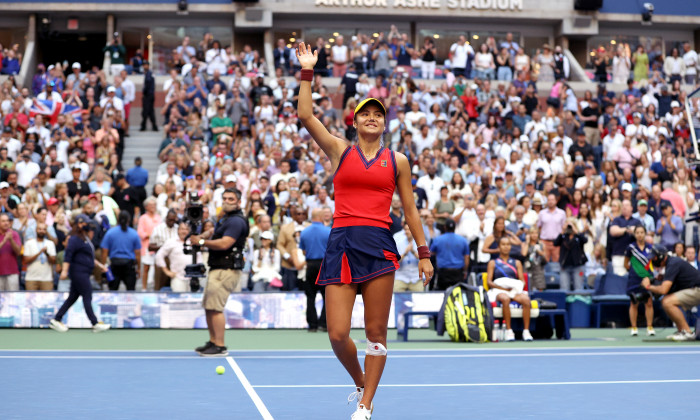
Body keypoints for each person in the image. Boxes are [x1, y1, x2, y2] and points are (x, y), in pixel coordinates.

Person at [296, 42, 433, 419]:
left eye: (378, 114)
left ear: (384, 122)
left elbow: (409, 209)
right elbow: (306, 115)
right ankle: (361, 381)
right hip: (341, 243)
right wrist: (308, 70)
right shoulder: (339, 150)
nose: (372, 117)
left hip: (378, 245)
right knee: (337, 334)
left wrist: (423, 253)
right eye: (365, 113)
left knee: (376, 334)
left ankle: (366, 404)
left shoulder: (398, 160)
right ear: (354, 122)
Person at [190, 188, 250, 357]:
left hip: (226, 269)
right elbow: (216, 234)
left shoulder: (236, 221)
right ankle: (213, 341)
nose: (226, 201)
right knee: (209, 306)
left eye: (231, 199)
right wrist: (206, 234)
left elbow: (225, 243)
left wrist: (202, 241)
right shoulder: (226, 219)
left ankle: (220, 345)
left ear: (238, 202)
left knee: (216, 308)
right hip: (217, 268)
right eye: (224, 198)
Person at [50, 215, 111, 333]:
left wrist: (100, 266)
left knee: (72, 297)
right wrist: (64, 271)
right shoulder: (74, 239)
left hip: (84, 271)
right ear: (79, 224)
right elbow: (68, 256)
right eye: (85, 223)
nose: (88, 226)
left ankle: (57, 319)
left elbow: (88, 256)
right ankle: (94, 323)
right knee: (87, 295)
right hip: (78, 272)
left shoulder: (84, 238)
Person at [643, 245, 700, 341]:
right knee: (667, 300)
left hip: (697, 289)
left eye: (654, 257)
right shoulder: (671, 263)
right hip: (693, 289)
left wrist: (648, 286)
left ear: (661, 256)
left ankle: (687, 332)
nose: (652, 260)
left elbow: (663, 290)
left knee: (667, 302)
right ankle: (681, 330)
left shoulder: (673, 263)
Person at [486, 236, 533, 341]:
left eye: (508, 245)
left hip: (513, 290)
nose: (506, 247)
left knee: (526, 300)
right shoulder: (493, 263)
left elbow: (522, 280)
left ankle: (526, 331)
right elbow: (489, 282)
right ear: (499, 247)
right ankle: (509, 331)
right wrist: (502, 288)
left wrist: (514, 288)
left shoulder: (517, 263)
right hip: (499, 290)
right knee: (505, 299)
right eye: (503, 245)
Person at [299, 208, 331, 332]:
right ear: (321, 216)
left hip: (310, 265)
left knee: (310, 296)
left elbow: (303, 251)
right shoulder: (328, 231)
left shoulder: (305, 232)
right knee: (326, 296)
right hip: (324, 264)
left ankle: (312, 325)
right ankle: (324, 323)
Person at [624, 225, 655, 337]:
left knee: (649, 303)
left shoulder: (650, 247)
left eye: (642, 232)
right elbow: (626, 263)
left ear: (645, 233)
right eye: (637, 232)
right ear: (635, 234)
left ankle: (650, 327)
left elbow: (652, 264)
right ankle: (634, 327)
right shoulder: (630, 248)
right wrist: (635, 271)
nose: (640, 234)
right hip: (634, 278)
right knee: (634, 302)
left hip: (647, 278)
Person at [155, 221, 200, 292]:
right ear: (178, 230)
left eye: (186, 229)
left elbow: (199, 257)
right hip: (178, 277)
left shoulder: (193, 242)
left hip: (193, 278)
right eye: (182, 229)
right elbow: (159, 255)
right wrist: (167, 271)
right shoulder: (171, 242)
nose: (184, 231)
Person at [102, 211, 141, 291]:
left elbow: (104, 251)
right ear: (128, 220)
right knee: (131, 291)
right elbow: (138, 254)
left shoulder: (110, 233)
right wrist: (139, 268)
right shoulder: (134, 233)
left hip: (115, 264)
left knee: (112, 290)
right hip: (129, 265)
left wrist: (103, 265)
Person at [430, 218, 469, 291]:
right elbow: (466, 257)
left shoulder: (438, 239)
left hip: (443, 272)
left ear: (445, 227)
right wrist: (465, 271)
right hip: (458, 271)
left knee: (442, 293)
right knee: (458, 293)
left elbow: (431, 253)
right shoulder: (463, 240)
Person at [553, 222, 588, 291]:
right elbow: (555, 243)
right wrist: (562, 231)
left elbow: (585, 240)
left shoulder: (578, 236)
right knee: (564, 288)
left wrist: (576, 231)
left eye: (571, 226)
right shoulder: (563, 236)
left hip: (577, 266)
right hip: (565, 266)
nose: (570, 228)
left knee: (579, 288)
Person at [23, 223, 57, 291]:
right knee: (30, 300)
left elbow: (53, 261)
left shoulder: (50, 243)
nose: (41, 231)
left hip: (47, 279)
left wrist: (46, 253)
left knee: (47, 300)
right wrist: (39, 252)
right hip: (31, 278)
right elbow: (26, 261)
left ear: (46, 231)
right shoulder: (29, 243)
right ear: (36, 230)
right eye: (40, 229)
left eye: (44, 229)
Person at [0, 213, 21, 291]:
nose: (6, 223)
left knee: (13, 298)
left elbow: (18, 252)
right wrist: (5, 240)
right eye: (3, 221)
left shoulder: (14, 234)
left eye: (7, 221)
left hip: (12, 272)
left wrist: (11, 240)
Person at [140, 61, 157, 131]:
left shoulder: (149, 74)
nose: (144, 66)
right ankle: (154, 126)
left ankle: (144, 126)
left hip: (148, 95)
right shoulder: (149, 73)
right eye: (144, 65)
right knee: (150, 111)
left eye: (146, 65)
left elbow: (147, 84)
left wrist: (144, 92)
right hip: (149, 95)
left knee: (146, 111)